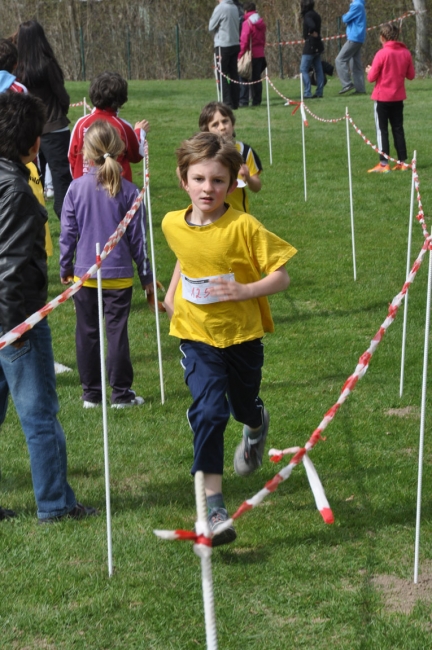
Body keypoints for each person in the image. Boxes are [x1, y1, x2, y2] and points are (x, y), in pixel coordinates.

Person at [162, 132, 297, 546]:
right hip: (196, 335)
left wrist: (244, 291)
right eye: (199, 179)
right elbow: (188, 258)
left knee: (241, 406)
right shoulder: (171, 222)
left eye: (218, 181)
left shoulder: (244, 226)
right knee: (208, 412)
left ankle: (256, 425)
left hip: (241, 336)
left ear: (233, 182)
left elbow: (282, 275)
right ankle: (214, 506)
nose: (208, 189)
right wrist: (171, 297)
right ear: (183, 179)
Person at [0, 91, 97, 523]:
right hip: (16, 323)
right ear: (33, 143)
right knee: (40, 416)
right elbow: (14, 270)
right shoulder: (18, 192)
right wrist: (17, 329)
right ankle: (55, 504)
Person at [60, 120, 153, 408]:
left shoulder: (75, 189)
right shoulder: (129, 190)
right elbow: (140, 241)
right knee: (116, 334)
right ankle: (121, 394)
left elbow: (67, 234)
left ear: (86, 155)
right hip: (119, 276)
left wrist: (65, 268)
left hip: (85, 276)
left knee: (87, 333)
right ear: (120, 150)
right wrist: (147, 276)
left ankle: (92, 395)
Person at [15, 20, 72, 219]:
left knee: (32, 178)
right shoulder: (48, 64)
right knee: (62, 178)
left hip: (31, 130)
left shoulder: (18, 70)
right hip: (54, 127)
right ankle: (67, 219)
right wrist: (61, 111)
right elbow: (62, 95)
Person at [68, 71, 149, 182]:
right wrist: (140, 132)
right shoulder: (123, 127)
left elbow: (71, 158)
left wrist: (77, 182)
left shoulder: (81, 123)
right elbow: (136, 155)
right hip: (117, 189)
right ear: (121, 98)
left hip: (84, 190)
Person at [366, 23, 415, 173]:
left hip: (382, 99)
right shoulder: (405, 53)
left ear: (382, 38)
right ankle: (402, 161)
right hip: (398, 98)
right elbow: (411, 75)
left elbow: (371, 77)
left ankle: (383, 163)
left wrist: (369, 70)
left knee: (382, 130)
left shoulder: (382, 54)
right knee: (398, 129)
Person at [199, 101, 262, 213]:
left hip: (238, 216)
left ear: (232, 123)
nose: (222, 127)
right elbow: (181, 171)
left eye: (225, 121)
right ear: (206, 131)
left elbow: (257, 187)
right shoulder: (202, 153)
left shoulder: (244, 151)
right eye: (215, 124)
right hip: (209, 215)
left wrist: (248, 177)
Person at [209, 0, 241, 110]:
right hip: (235, 43)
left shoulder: (220, 8)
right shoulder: (235, 7)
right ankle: (235, 102)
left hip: (223, 45)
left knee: (221, 74)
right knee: (233, 75)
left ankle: (226, 103)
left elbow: (211, 26)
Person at [335, 0, 366, 95]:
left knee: (340, 60)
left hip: (354, 37)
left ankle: (347, 84)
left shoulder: (356, 5)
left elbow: (345, 19)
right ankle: (360, 89)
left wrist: (345, 15)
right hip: (359, 37)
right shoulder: (360, 4)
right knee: (356, 65)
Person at [238, 2, 267, 106]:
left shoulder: (247, 23)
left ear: (245, 11)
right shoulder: (261, 22)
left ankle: (243, 100)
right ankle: (257, 100)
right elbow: (263, 39)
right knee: (256, 78)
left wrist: (240, 54)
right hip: (260, 53)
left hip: (250, 54)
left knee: (243, 76)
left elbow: (244, 41)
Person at [299, 0, 324, 99]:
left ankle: (307, 92)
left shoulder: (308, 16)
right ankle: (319, 92)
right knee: (318, 69)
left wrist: (310, 32)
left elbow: (312, 26)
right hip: (317, 44)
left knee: (303, 68)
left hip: (310, 45)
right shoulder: (316, 14)